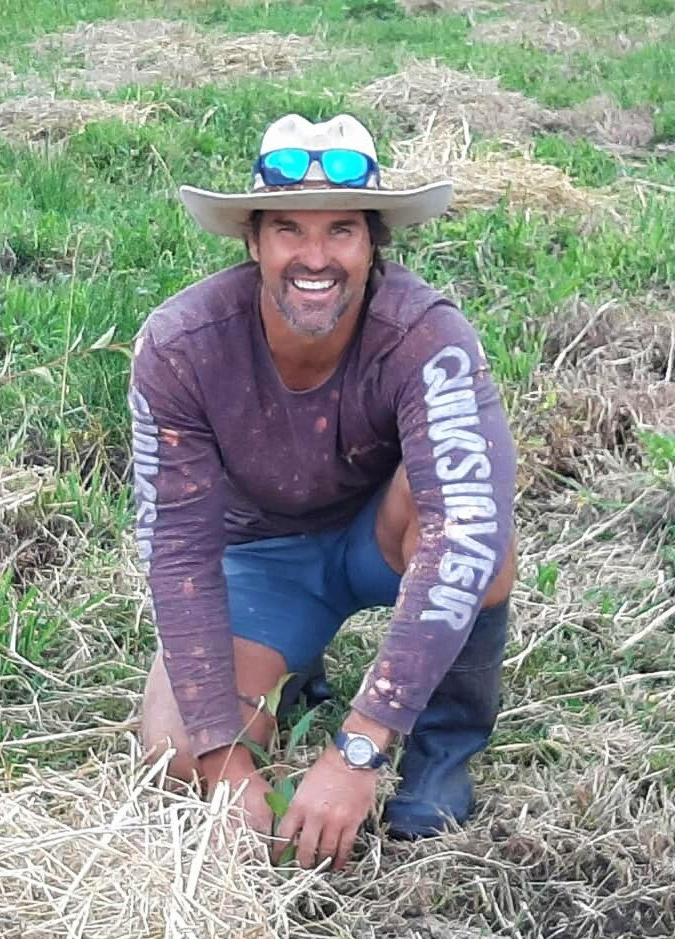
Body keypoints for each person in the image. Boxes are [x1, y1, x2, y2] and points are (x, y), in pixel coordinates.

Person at [129, 113, 516, 872]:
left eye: (341, 230)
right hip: (262, 556)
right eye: (289, 230)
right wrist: (223, 764)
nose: (315, 257)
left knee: (481, 538)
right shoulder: (180, 346)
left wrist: (360, 746)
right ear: (253, 243)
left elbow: (464, 533)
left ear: (374, 244)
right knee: (175, 752)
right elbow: (178, 551)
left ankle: (441, 751)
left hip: (382, 535)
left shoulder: (428, 335)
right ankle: (292, 669)